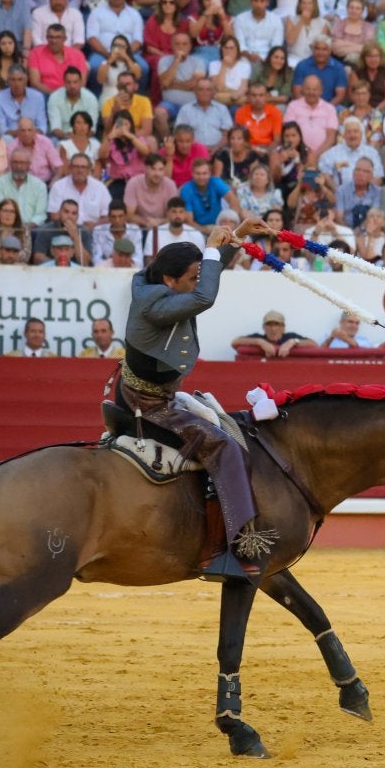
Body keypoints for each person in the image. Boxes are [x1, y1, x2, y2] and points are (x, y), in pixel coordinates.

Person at [122, 221, 267, 581]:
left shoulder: (154, 284)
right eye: (191, 277)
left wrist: (238, 238)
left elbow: (201, 281)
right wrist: (214, 250)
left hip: (151, 391)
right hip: (152, 403)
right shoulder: (156, 304)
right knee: (226, 447)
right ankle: (215, 552)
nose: (196, 283)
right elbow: (205, 296)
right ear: (170, 281)